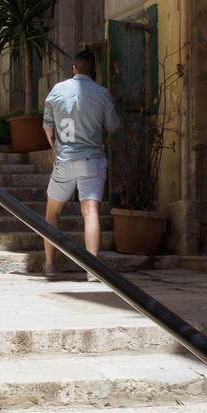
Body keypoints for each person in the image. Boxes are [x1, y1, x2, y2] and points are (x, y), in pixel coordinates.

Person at [40, 49, 120, 277]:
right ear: (93, 70)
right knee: (90, 210)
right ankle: (92, 270)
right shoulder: (102, 93)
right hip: (93, 160)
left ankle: (49, 265)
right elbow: (113, 126)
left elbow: (47, 126)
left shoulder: (56, 90)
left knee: (52, 213)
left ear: (73, 68)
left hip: (65, 159)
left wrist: (57, 148)